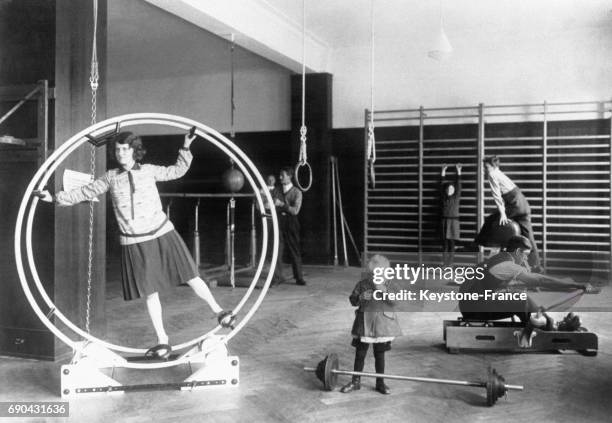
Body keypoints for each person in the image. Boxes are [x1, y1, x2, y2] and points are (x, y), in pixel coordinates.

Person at [34, 130, 235, 360]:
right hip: (135, 241)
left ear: (134, 151)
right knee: (150, 293)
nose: (121, 153)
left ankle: (220, 312)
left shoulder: (149, 170)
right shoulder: (110, 177)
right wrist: (54, 198)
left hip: (162, 233)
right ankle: (163, 341)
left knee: (191, 275)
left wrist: (186, 146)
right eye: (118, 149)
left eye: (125, 149)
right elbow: (85, 192)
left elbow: (177, 170)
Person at [459, 235, 595, 347]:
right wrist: (577, 284)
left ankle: (544, 322)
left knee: (516, 295)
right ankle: (550, 328)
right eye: (525, 255)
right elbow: (541, 280)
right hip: (474, 307)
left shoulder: (500, 257)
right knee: (521, 299)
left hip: (471, 304)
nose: (525, 259)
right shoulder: (507, 265)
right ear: (518, 252)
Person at [340, 254, 402, 395]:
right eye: (374, 273)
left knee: (379, 354)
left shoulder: (391, 285)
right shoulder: (363, 284)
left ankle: (380, 382)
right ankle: (356, 381)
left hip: (383, 325)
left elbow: (396, 301)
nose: (377, 276)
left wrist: (384, 291)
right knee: (360, 353)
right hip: (364, 324)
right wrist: (361, 297)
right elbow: (353, 300)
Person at [476, 156, 542, 272]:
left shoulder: (492, 174)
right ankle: (537, 266)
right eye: (484, 167)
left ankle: (479, 243)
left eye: (486, 167)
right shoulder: (498, 171)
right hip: (523, 204)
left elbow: (497, 196)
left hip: (514, 204)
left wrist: (502, 214)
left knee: (491, 219)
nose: (485, 169)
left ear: (492, 166)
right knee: (529, 237)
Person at [272, 166, 306, 286]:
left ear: (290, 176)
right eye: (280, 175)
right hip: (279, 222)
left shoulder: (297, 192)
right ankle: (277, 277)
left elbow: (295, 210)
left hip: (291, 223)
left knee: (294, 250)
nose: (280, 177)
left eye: (283, 175)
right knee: (277, 250)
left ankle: (299, 277)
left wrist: (282, 204)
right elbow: (272, 205)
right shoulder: (276, 190)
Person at [440, 164, 462, 266]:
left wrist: (458, 171)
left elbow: (458, 184)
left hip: (454, 221)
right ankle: (445, 264)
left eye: (452, 189)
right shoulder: (444, 198)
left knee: (452, 244)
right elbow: (442, 184)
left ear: (454, 191)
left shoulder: (456, 197)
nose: (450, 190)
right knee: (445, 244)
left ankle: (450, 263)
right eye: (448, 189)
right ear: (445, 190)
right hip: (445, 221)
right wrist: (443, 171)